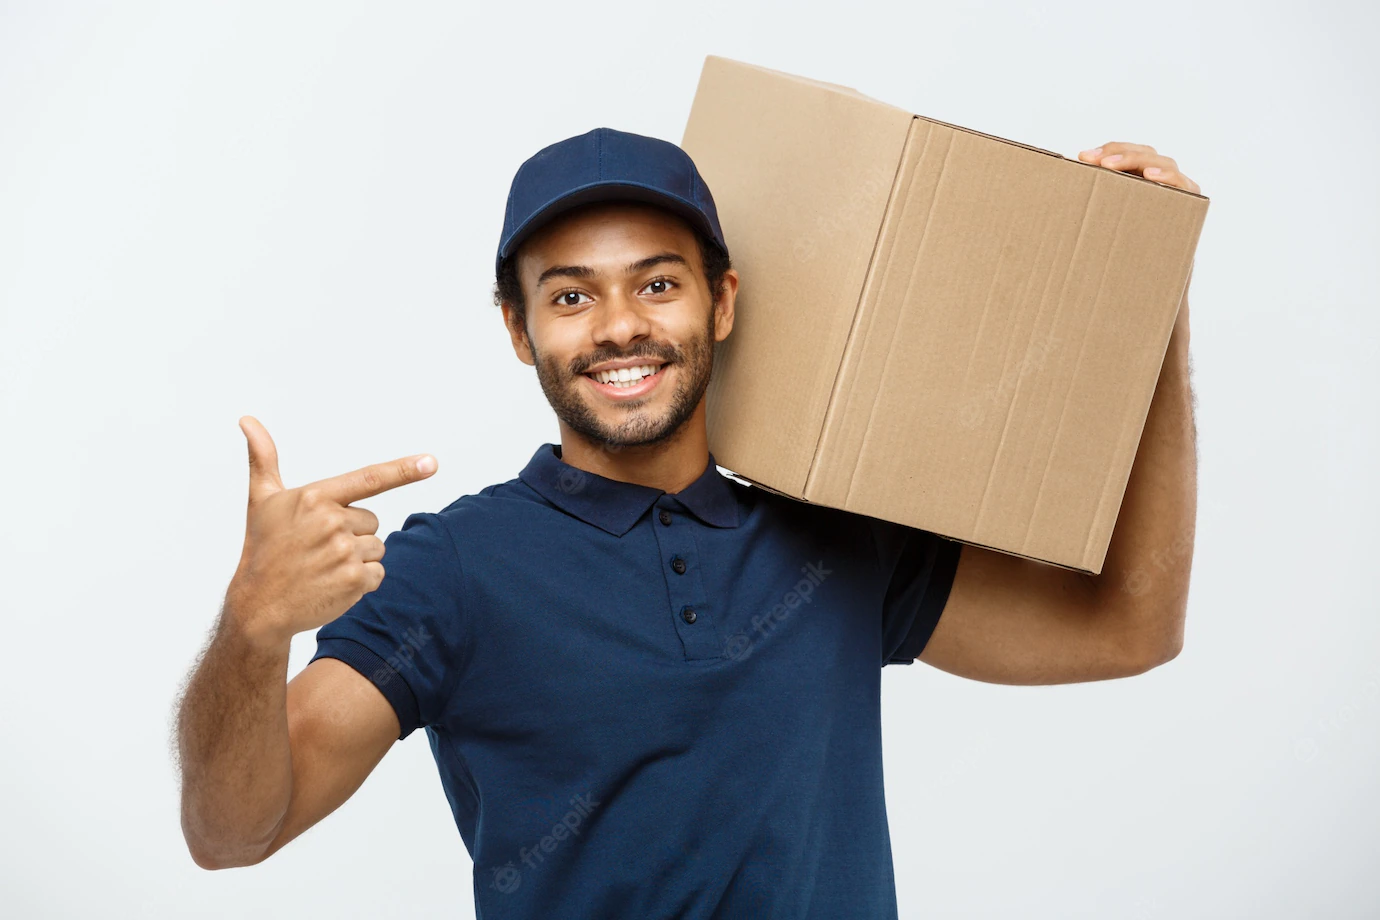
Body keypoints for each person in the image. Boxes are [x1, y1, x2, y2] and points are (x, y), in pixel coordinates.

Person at [175, 127, 1200, 918]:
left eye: (656, 283)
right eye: (571, 295)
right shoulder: (455, 568)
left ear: (720, 300)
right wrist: (253, 628)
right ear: (519, 332)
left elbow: (1127, 628)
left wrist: (1152, 304)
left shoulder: (837, 539)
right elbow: (234, 830)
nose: (619, 325)